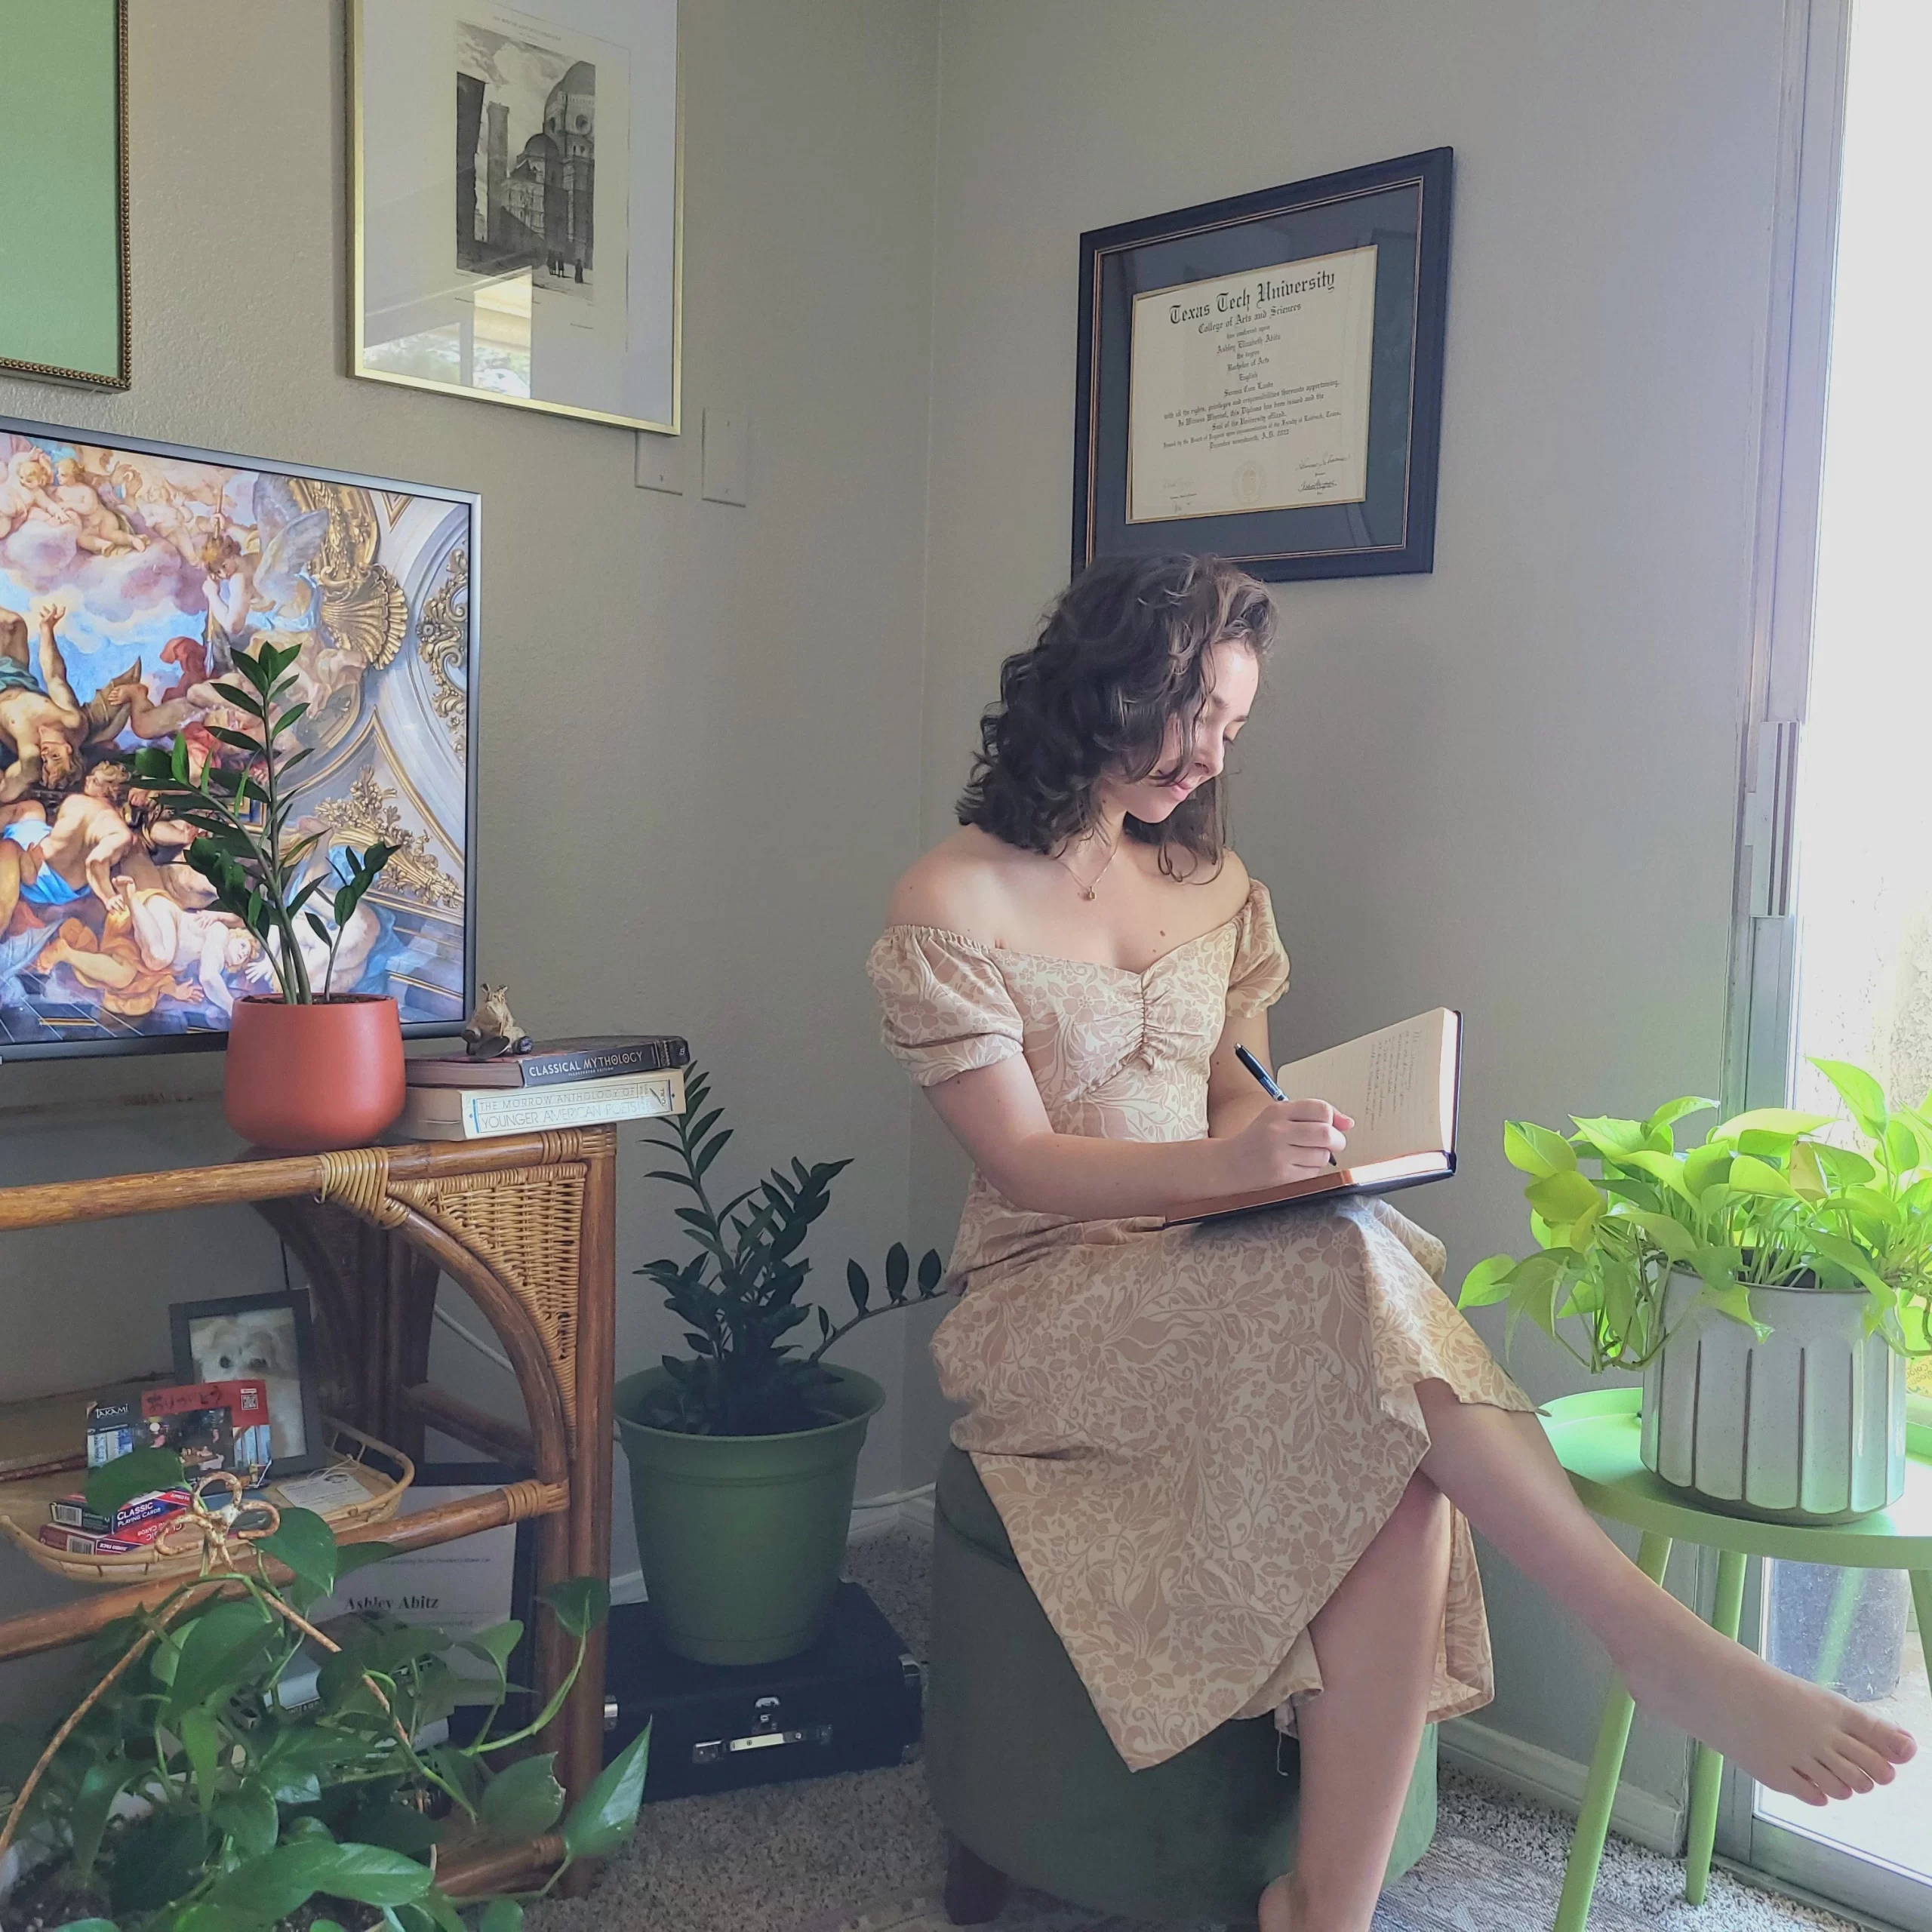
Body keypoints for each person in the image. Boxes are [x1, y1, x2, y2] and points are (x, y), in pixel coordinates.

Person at [864, 552, 1916, 1932]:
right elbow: (1023, 1163)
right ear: (1102, 686)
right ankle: (1646, 1642)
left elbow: (1234, 1086)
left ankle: (1325, 1910)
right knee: (1381, 1367)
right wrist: (1234, 1165)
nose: (1211, 756)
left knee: (1379, 1361)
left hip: (1213, 1256)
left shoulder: (1212, 880)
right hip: (1050, 1297)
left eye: (1236, 728)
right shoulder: (951, 902)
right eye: (1196, 718)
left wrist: (1290, 1138)